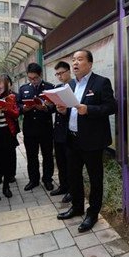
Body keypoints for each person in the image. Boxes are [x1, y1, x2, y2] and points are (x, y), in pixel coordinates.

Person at [56, 50, 117, 232]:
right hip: (72, 139)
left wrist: (88, 109)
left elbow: (111, 107)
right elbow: (71, 110)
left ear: (89, 64)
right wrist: (63, 111)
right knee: (73, 175)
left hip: (92, 141)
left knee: (95, 178)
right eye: (73, 60)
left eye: (80, 59)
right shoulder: (70, 85)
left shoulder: (101, 82)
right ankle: (77, 207)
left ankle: (93, 213)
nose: (75, 63)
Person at [18, 63, 55, 191]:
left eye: (35, 78)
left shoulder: (49, 88)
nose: (33, 81)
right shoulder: (23, 89)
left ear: (40, 75)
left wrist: (46, 108)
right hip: (29, 129)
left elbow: (55, 107)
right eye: (30, 78)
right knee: (31, 156)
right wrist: (24, 108)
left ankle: (47, 179)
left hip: (45, 128)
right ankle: (33, 180)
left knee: (47, 155)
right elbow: (18, 106)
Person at [52, 61, 72, 203]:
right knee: (60, 161)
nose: (59, 76)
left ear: (68, 71)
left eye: (61, 73)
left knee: (70, 163)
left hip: (69, 131)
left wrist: (65, 111)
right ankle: (63, 186)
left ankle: (72, 190)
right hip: (58, 130)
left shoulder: (75, 87)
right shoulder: (58, 88)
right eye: (57, 74)